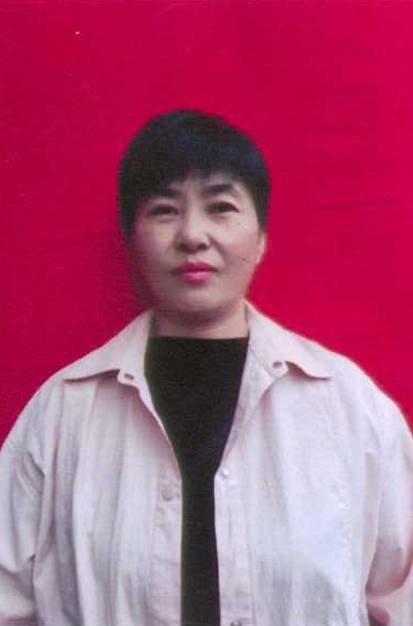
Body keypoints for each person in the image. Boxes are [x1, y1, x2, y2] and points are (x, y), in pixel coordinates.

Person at [0, 110, 412, 626]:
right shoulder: (63, 412)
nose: (192, 235)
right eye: (165, 211)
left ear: (260, 237)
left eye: (221, 207)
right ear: (132, 238)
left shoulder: (347, 405)